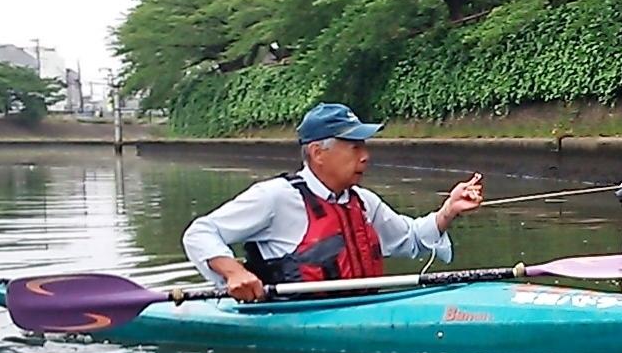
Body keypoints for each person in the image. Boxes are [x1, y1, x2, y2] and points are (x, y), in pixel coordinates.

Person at [182, 102, 484, 302]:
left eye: (363, 146)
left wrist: (449, 210)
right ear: (317, 153)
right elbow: (200, 232)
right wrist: (234, 272)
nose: (365, 156)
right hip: (290, 320)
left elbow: (414, 238)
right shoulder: (275, 197)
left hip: (363, 314)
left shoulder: (364, 202)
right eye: (353, 147)